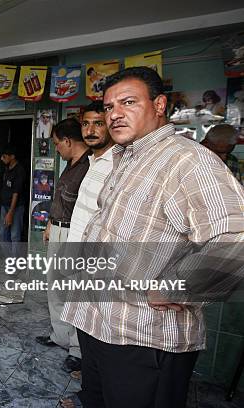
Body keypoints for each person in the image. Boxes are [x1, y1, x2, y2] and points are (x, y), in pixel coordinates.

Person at [60, 67, 244, 408]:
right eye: (109, 107)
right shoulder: (126, 157)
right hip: (97, 323)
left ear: (159, 105)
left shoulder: (187, 160)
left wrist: (173, 286)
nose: (114, 114)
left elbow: (236, 242)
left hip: (143, 335)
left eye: (128, 102)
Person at [36, 118, 90, 374]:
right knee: (55, 288)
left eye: (58, 143)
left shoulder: (89, 167)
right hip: (58, 230)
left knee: (73, 292)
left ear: (68, 141)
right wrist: (49, 224)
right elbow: (60, 200)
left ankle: (78, 350)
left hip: (74, 235)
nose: (56, 148)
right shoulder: (70, 165)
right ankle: (60, 336)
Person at [66, 101, 115, 243]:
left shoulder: (116, 165)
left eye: (98, 124)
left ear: (111, 126)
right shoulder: (92, 161)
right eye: (85, 124)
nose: (90, 131)